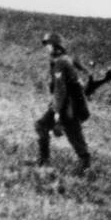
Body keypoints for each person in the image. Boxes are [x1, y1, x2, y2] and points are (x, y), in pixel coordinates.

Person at [35, 31, 91, 172]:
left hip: (68, 105)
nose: (46, 48)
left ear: (55, 46)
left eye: (49, 45)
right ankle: (43, 161)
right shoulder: (64, 59)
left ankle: (83, 163)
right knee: (44, 126)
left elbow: (60, 90)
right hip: (70, 103)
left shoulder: (60, 63)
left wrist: (57, 112)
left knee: (72, 133)